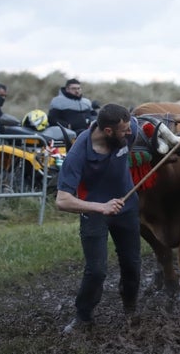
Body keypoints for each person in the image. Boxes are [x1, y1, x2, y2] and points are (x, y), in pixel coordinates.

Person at [56, 103, 141, 333]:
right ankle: (83, 316)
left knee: (132, 265)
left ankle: (130, 308)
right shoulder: (78, 153)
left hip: (127, 207)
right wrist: (101, 207)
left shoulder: (128, 126)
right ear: (108, 132)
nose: (131, 133)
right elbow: (62, 200)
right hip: (94, 211)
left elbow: (142, 126)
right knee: (96, 271)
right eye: (124, 131)